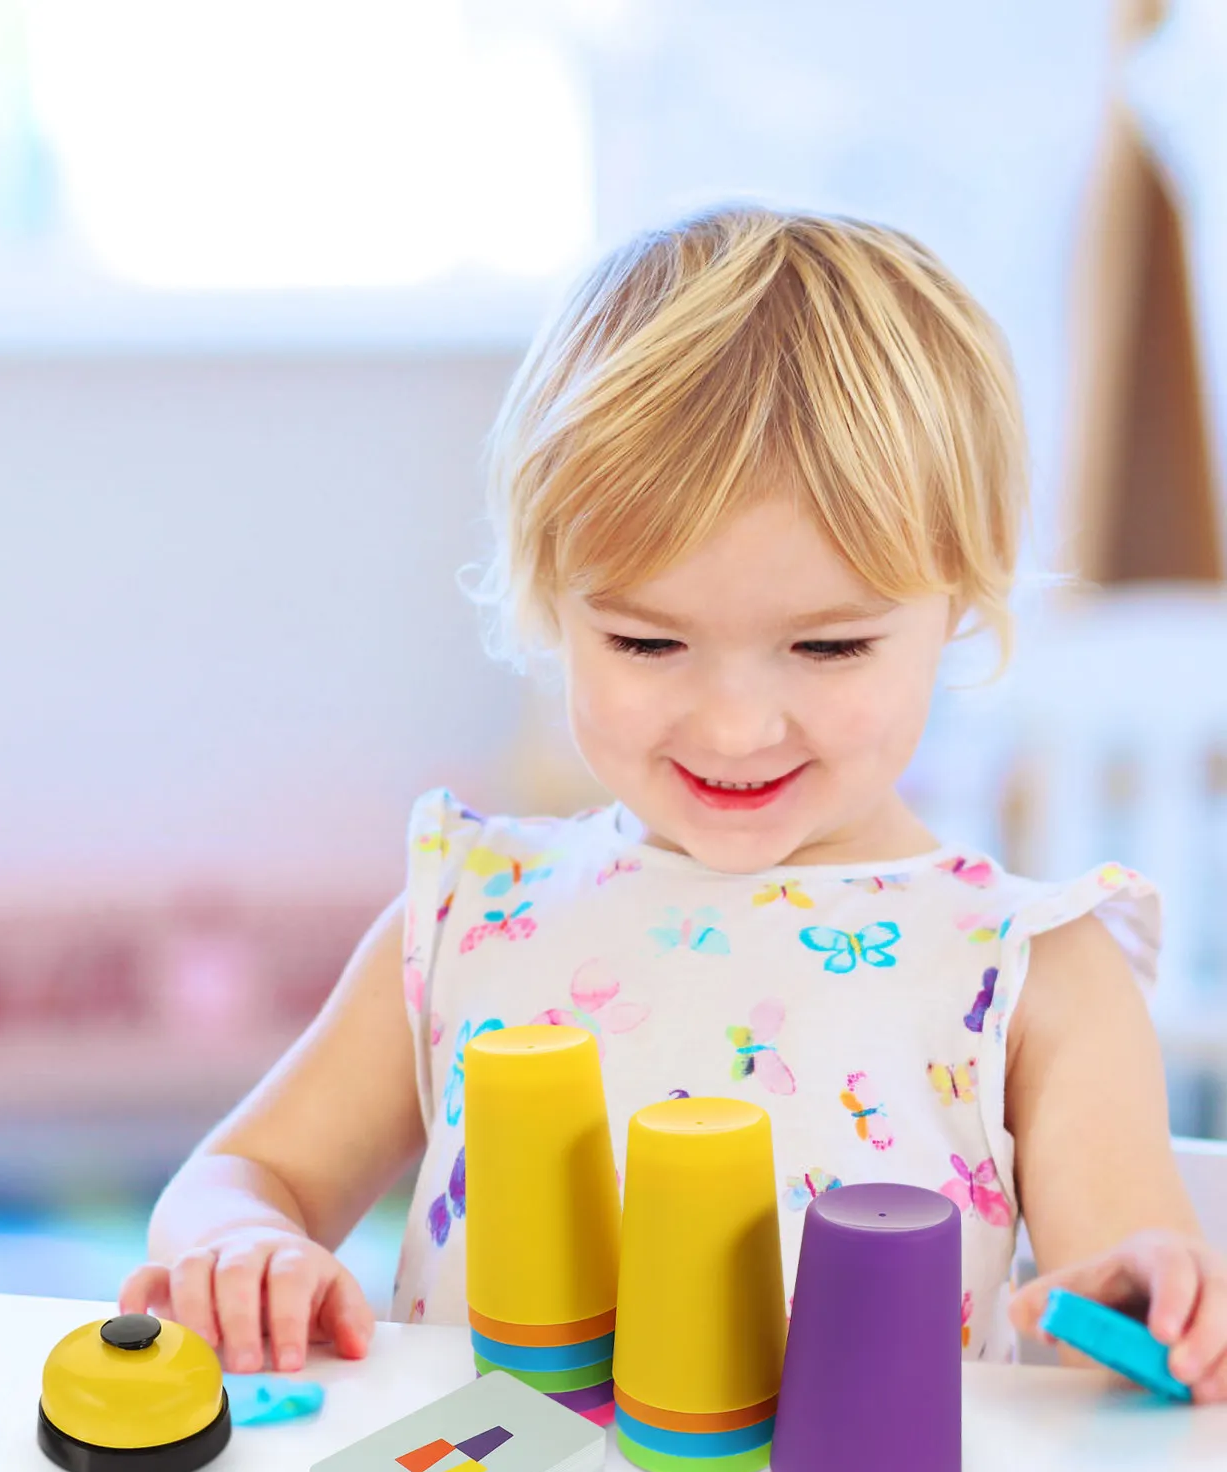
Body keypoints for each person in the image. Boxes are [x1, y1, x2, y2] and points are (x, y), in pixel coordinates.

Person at [119, 206, 1227, 1400]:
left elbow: (1119, 1288)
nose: (735, 726)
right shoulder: (466, 915)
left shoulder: (1032, 968)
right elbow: (241, 1176)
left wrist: (1154, 1299)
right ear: (551, 601)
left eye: (830, 646)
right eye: (648, 643)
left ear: (957, 598)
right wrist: (240, 1244)